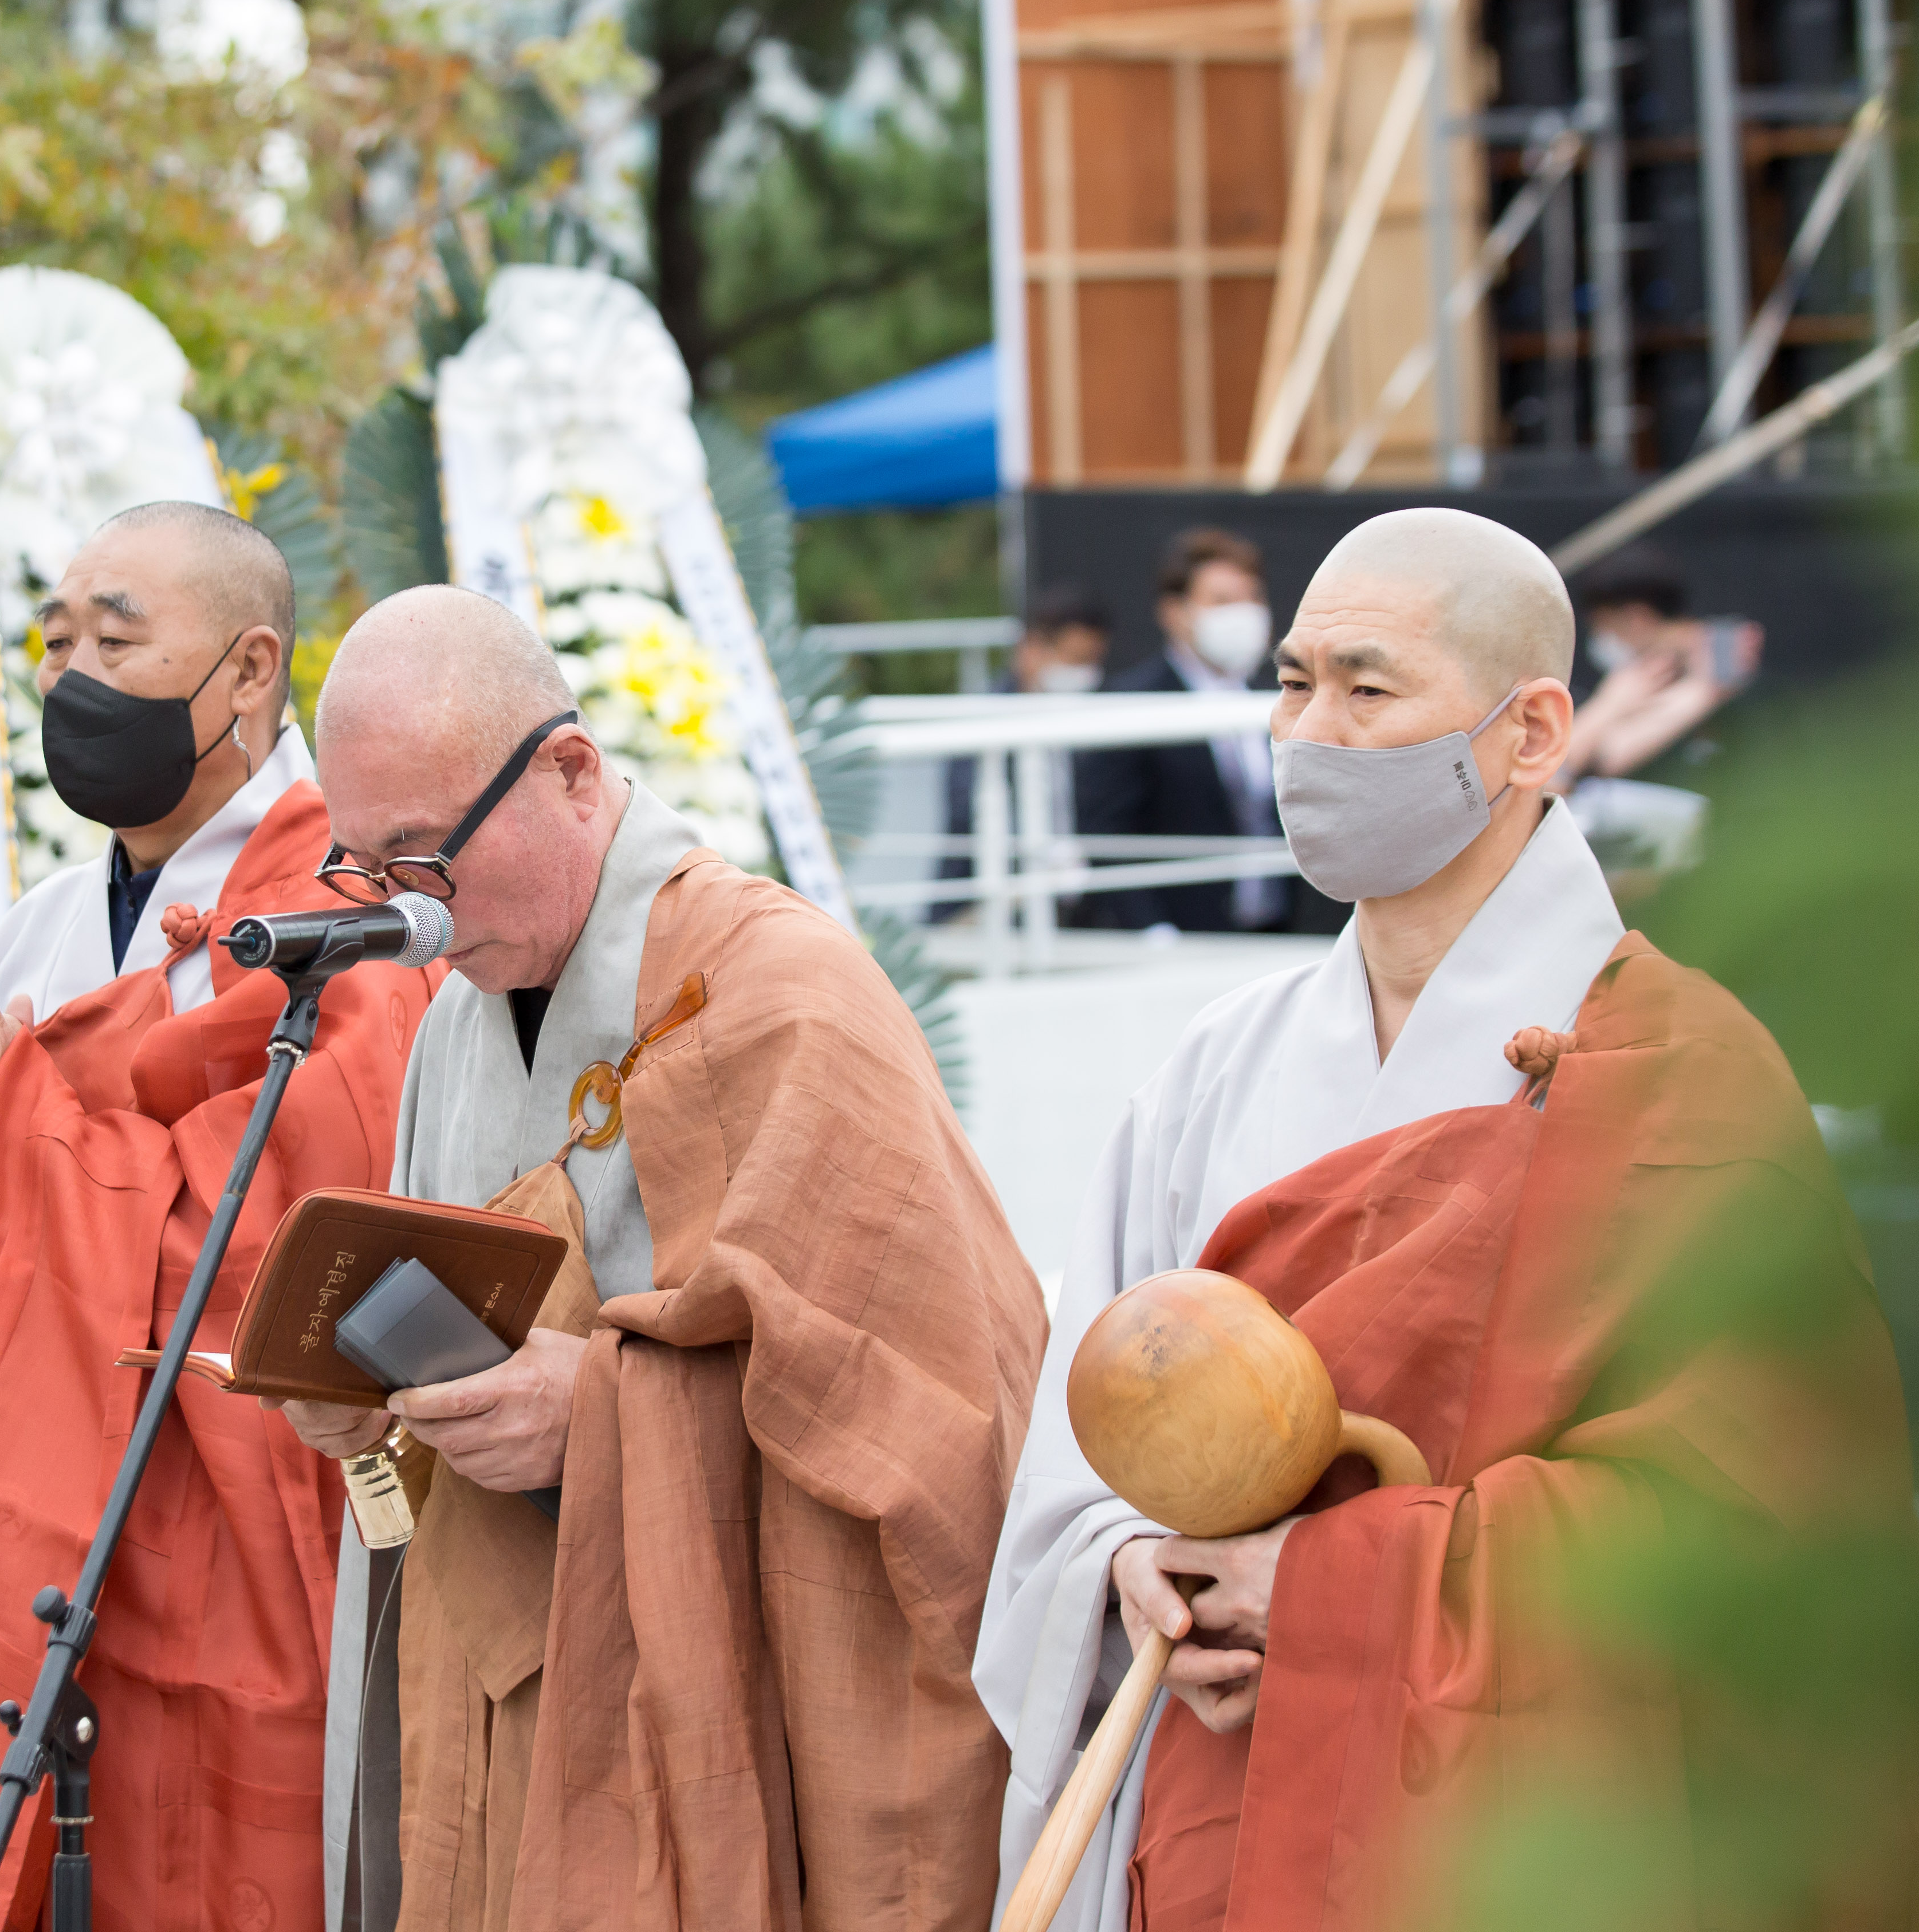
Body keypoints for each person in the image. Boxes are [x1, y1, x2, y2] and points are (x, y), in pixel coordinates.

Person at [972, 510, 1919, 1931]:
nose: (1306, 732)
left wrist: (1322, 1587)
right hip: (1227, 1808)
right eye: (1291, 683)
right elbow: (1078, 1454)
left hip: (1533, 1841)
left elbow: (1754, 1519)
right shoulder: (1211, 1067)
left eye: (1365, 691)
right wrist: (1135, 1570)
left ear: (1529, 728)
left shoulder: (1670, 1073)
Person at [285, 586, 1047, 1932]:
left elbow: (931, 1404)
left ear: (570, 770)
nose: (410, 917)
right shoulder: (453, 1021)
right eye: (368, 874)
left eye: (425, 858)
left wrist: (604, 1409)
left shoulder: (774, 988)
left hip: (700, 1711)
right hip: (491, 1684)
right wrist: (361, 1396)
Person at [0, 502, 441, 1932]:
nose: (71, 675)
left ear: (246, 670)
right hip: (25, 1510)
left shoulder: (348, 915)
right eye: (51, 642)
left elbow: (288, 1236)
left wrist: (12, 1123)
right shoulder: (32, 926)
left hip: (224, 1524)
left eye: (115, 634)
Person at [1075, 528, 1332, 935]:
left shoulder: (1279, 699)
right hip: (1186, 941)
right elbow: (1104, 832)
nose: (1245, 613)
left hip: (1277, 931)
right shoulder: (1131, 703)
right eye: (1223, 601)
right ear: (1175, 613)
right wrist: (1151, 931)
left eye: (1252, 597)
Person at [940, 587, 1113, 912]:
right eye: (1075, 660)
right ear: (1031, 650)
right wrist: (1044, 856)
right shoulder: (982, 721)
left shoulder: (1091, 717)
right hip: (986, 910)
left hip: (1077, 912)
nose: (1086, 674)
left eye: (1094, 662)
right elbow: (968, 812)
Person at [1556, 543, 1762, 787]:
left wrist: (1611, 706)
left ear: (1637, 618)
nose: (1602, 639)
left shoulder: (1729, 650)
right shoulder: (1642, 678)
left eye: (1605, 626)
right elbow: (1607, 756)